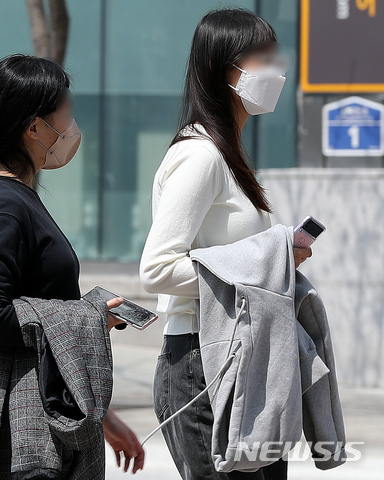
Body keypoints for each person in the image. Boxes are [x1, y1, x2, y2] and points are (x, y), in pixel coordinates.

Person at [0, 54, 145, 479]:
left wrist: (102, 416)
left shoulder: (14, 200)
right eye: (65, 113)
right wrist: (87, 319)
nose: (71, 127)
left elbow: (39, 313)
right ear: (33, 128)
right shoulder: (0, 207)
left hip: (33, 412)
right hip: (10, 423)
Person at [139, 8, 311, 480]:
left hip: (244, 360)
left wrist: (278, 258)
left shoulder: (228, 156)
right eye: (263, 58)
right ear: (224, 67)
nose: (275, 71)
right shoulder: (199, 156)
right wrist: (266, 261)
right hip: (201, 362)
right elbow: (156, 269)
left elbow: (242, 261)